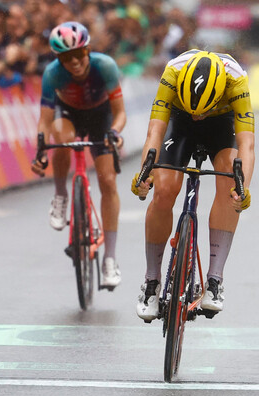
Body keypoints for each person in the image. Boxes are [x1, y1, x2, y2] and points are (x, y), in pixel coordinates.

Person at [131, 50, 254, 322]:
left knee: (230, 183)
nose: (199, 116)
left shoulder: (236, 80)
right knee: (163, 191)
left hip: (221, 124)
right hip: (179, 120)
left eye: (203, 111)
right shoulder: (172, 72)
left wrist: (242, 188)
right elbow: (154, 132)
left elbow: (247, 144)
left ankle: (214, 280)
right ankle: (151, 282)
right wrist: (144, 176)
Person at [31, 21, 127, 289]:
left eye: (78, 55)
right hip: (68, 114)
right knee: (62, 139)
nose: (73, 63)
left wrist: (115, 132)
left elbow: (120, 113)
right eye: (65, 58)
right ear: (58, 59)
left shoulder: (105, 66)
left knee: (108, 181)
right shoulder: (51, 74)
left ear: (88, 51)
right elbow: (44, 121)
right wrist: (41, 150)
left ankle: (110, 258)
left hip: (101, 116)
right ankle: (61, 195)